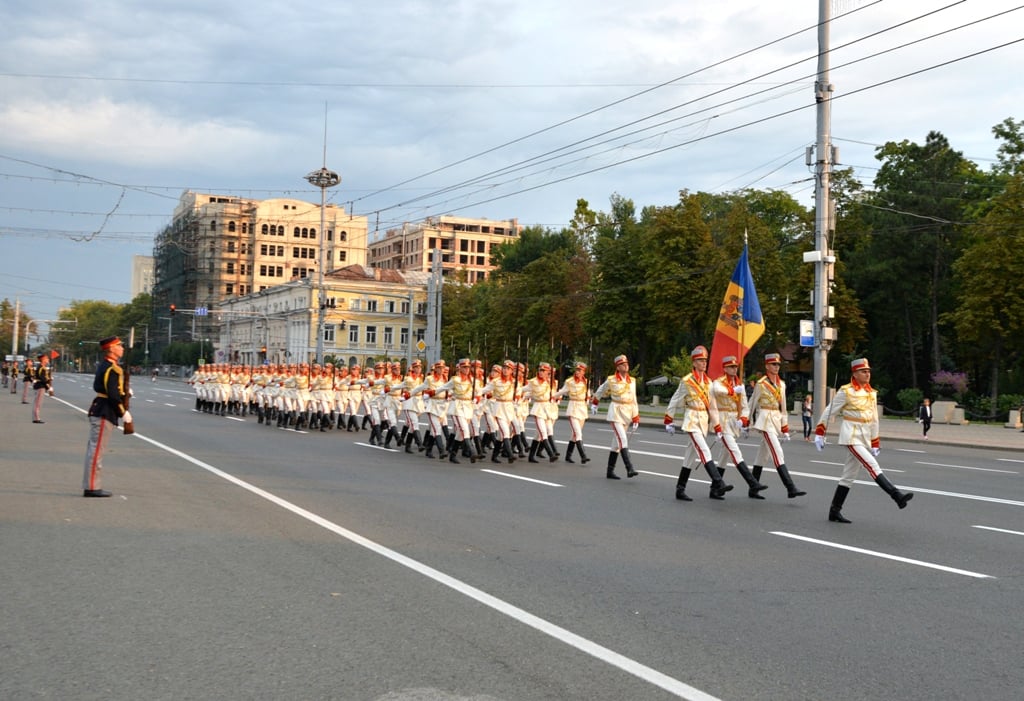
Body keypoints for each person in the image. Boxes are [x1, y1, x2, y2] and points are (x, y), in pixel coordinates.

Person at [815, 357, 913, 523]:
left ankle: (834, 511)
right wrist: (820, 432)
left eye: (868, 371)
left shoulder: (871, 393)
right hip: (851, 436)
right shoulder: (846, 391)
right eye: (863, 371)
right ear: (855, 373)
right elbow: (829, 411)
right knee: (871, 465)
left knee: (848, 476)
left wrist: (875, 442)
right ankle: (896, 495)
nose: (867, 374)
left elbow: (874, 419)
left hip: (864, 436)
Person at [663, 346, 732, 501]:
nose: (703, 363)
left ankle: (680, 489)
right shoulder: (687, 381)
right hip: (692, 420)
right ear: (694, 363)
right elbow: (675, 399)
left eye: (705, 360)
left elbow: (712, 407)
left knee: (689, 457)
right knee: (704, 450)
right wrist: (669, 419)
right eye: (700, 360)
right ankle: (718, 482)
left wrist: (717, 426)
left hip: (703, 421)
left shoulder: (708, 383)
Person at [744, 352, 806, 499]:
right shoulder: (761, 384)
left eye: (778, 364)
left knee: (762, 457)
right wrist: (745, 422)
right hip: (765, 421)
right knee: (777, 453)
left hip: (775, 420)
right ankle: (790, 487)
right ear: (767, 366)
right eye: (773, 364)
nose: (776, 367)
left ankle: (753, 489)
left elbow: (783, 408)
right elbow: (751, 404)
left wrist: (785, 427)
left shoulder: (782, 384)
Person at [709, 354, 767, 497]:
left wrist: (743, 419)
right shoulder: (719, 382)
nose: (734, 369)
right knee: (735, 451)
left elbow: (745, 406)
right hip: (722, 422)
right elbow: (716, 390)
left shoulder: (739, 384)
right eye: (731, 367)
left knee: (724, 456)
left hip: (733, 423)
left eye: (736, 367)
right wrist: (732, 391)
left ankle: (714, 489)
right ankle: (752, 482)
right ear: (725, 368)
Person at [82, 336, 131, 497]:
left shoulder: (108, 366)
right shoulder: (112, 368)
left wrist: (125, 392)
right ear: (112, 349)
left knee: (95, 449)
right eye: (119, 346)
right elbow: (112, 394)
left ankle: (92, 485)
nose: (122, 348)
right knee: (96, 451)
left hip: (102, 408)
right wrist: (122, 412)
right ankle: (91, 487)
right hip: (105, 410)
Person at [591, 354, 640, 479]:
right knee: (623, 439)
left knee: (616, 444)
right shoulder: (612, 379)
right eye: (622, 364)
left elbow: (633, 399)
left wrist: (636, 417)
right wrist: (595, 403)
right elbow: (601, 390)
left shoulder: (632, 381)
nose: (626, 365)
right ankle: (629, 468)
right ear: (618, 367)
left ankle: (610, 471)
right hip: (616, 412)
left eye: (626, 363)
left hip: (628, 412)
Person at [553, 361, 592, 464]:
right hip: (573, 408)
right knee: (578, 433)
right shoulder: (570, 381)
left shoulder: (586, 381)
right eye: (577, 370)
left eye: (580, 370)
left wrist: (588, 398)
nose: (578, 372)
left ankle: (568, 456)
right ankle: (583, 455)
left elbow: (587, 393)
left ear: (584, 372)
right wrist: (553, 396)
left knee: (574, 435)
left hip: (582, 409)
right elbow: (562, 391)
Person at [31, 352, 54, 423]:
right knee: (38, 403)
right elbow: (43, 379)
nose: (48, 359)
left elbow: (45, 377)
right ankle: (36, 418)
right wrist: (49, 387)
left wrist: (50, 378)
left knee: (38, 403)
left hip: (41, 386)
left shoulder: (42, 367)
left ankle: (36, 417)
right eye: (46, 358)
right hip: (40, 386)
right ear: (43, 359)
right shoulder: (41, 367)